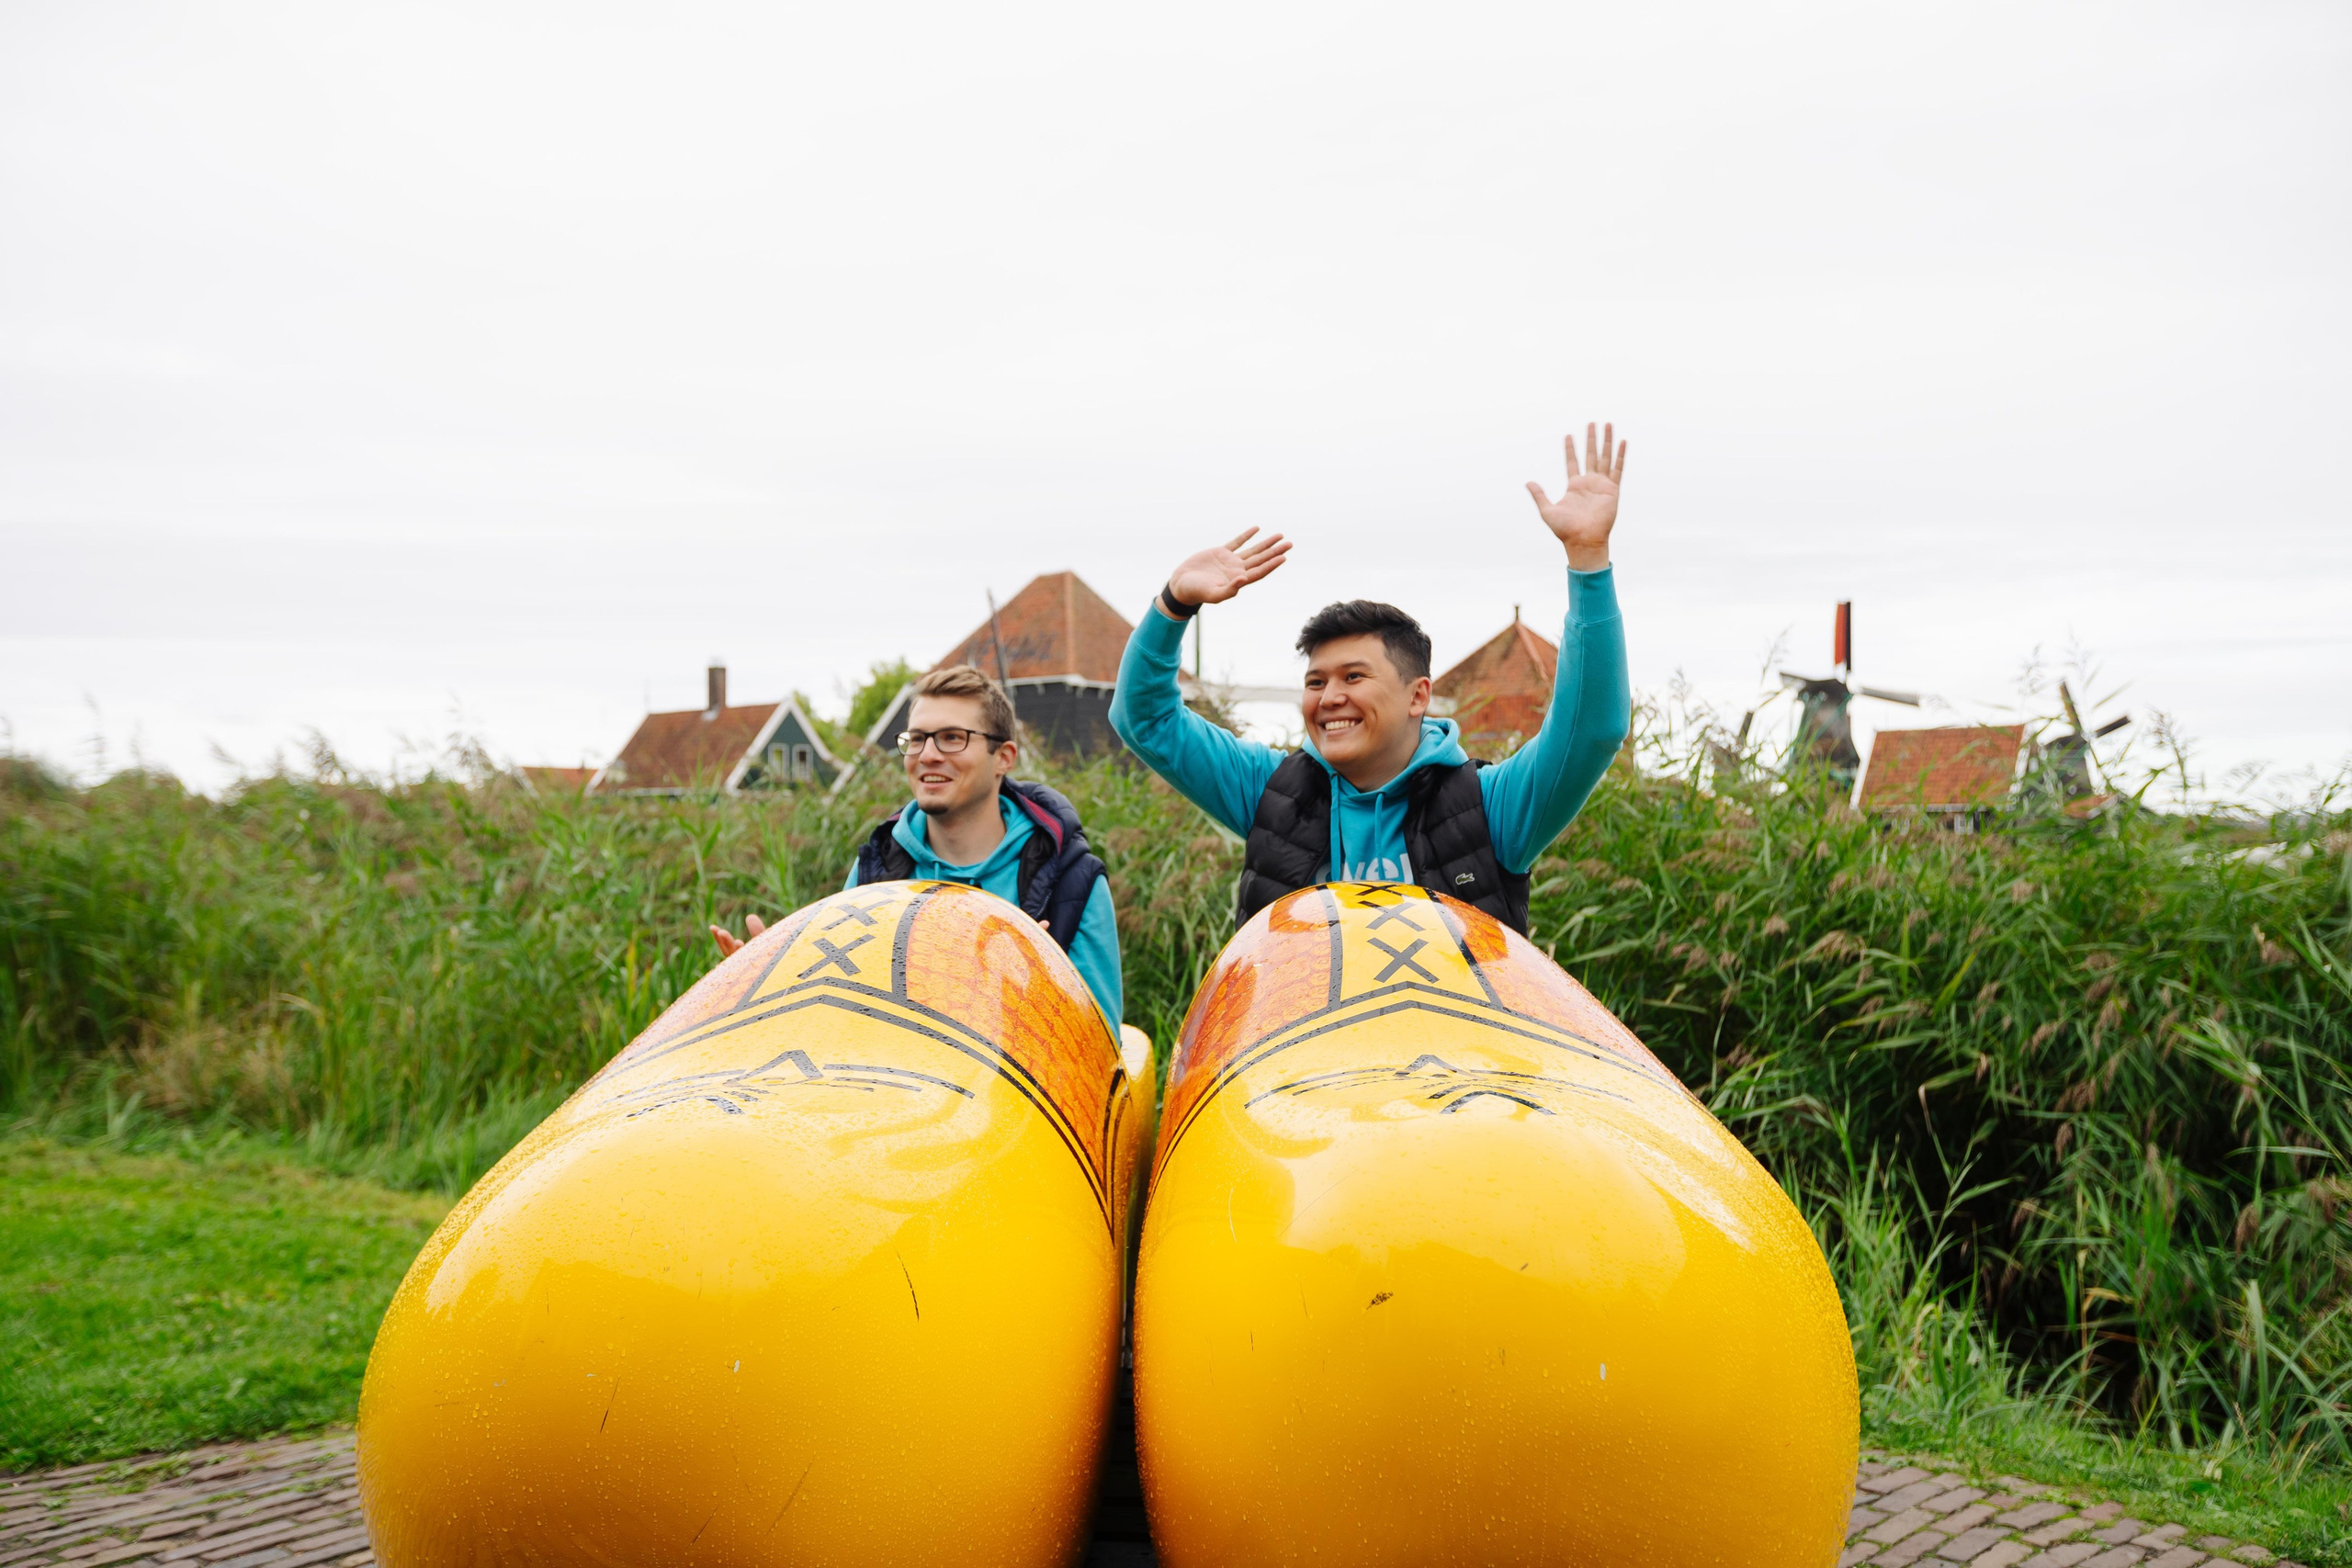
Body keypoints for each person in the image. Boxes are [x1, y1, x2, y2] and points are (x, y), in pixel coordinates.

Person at [1107, 423, 1633, 934]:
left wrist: (1588, 561)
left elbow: (1590, 729)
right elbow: (1145, 719)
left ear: (1418, 695)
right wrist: (1173, 605)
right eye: (1315, 683)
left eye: (1353, 677)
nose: (1331, 698)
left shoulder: (1490, 807)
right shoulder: (1270, 793)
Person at [712, 665, 1124, 1027]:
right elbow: (840, 1021)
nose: (927, 755)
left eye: (951, 738)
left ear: (1004, 757)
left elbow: (1098, 1055)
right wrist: (769, 990)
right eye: (918, 739)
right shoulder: (876, 871)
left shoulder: (1073, 880)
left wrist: (1032, 994)